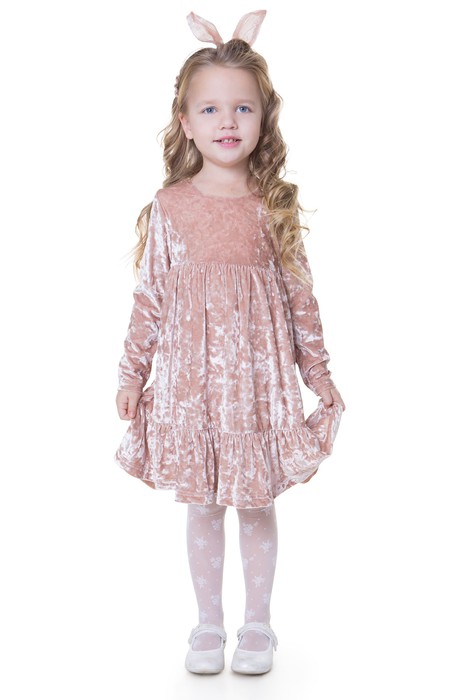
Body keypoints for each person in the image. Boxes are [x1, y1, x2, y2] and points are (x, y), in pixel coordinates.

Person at [114, 9, 346, 676]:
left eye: (242, 107)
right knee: (203, 504)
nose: (227, 121)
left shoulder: (273, 205)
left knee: (254, 501)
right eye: (211, 108)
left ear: (263, 119)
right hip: (192, 388)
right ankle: (208, 623)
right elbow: (150, 298)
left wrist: (318, 375)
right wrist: (131, 374)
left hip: (254, 388)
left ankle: (258, 624)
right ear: (185, 121)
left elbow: (301, 300)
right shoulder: (171, 206)